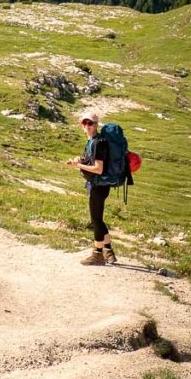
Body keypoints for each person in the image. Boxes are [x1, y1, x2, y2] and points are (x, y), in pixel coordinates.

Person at [65, 111, 117, 265]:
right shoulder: (92, 141)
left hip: (98, 185)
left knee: (96, 220)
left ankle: (97, 254)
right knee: (97, 219)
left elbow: (98, 169)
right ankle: (108, 251)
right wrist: (80, 160)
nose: (87, 126)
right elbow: (90, 161)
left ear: (96, 125)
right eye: (84, 123)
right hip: (97, 185)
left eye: (90, 123)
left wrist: (78, 165)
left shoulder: (98, 143)